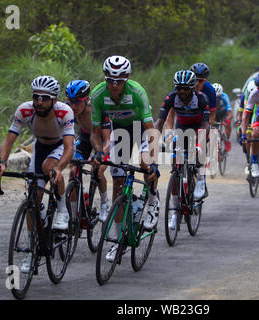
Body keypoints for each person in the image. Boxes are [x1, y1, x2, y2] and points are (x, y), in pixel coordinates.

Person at [0, 75, 74, 273]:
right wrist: (2, 163)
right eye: (36, 96)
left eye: (44, 98)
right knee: (32, 199)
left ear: (54, 99)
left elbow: (70, 147)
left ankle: (62, 210)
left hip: (59, 147)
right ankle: (32, 250)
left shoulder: (64, 111)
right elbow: (9, 140)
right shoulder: (25, 110)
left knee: (49, 167)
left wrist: (59, 167)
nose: (39, 101)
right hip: (40, 146)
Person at [89, 55, 160, 261]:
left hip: (141, 130)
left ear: (126, 79)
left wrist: (153, 160)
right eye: (110, 79)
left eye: (119, 80)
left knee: (146, 165)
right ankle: (118, 241)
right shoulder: (98, 94)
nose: (114, 84)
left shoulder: (137, 92)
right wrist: (100, 152)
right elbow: (94, 133)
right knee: (118, 184)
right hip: (119, 132)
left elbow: (151, 131)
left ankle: (154, 200)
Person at [155, 70, 210, 229]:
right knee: (175, 168)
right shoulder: (171, 98)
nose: (182, 92)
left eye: (186, 88)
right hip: (182, 127)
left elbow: (206, 125)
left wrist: (199, 144)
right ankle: (175, 211)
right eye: (179, 88)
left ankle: (200, 179)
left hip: (199, 127)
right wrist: (153, 139)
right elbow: (160, 122)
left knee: (200, 151)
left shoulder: (201, 99)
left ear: (193, 88)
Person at [65, 80, 111, 222]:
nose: (73, 106)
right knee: (73, 171)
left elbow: (108, 141)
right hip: (85, 137)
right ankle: (73, 215)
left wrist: (100, 154)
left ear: (86, 99)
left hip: (104, 139)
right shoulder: (66, 109)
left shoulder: (99, 110)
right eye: (70, 102)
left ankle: (105, 203)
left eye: (77, 102)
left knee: (96, 170)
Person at [212, 83, 233, 152]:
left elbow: (230, 113)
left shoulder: (225, 97)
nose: (216, 99)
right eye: (215, 97)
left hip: (223, 113)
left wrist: (227, 120)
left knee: (227, 122)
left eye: (218, 97)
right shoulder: (209, 97)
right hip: (214, 113)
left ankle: (227, 139)